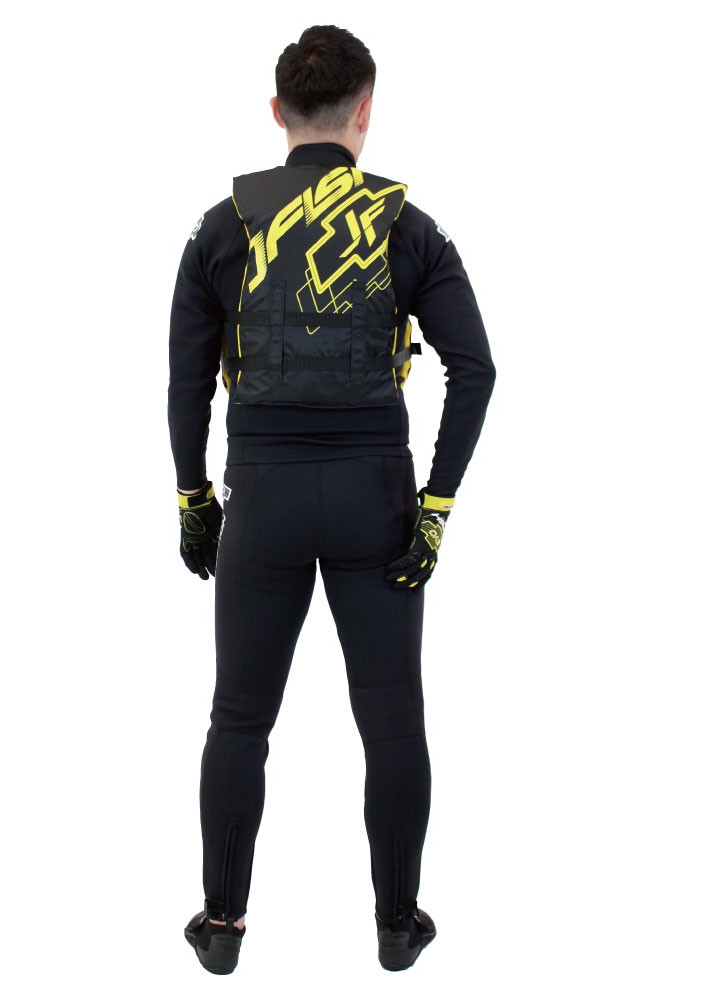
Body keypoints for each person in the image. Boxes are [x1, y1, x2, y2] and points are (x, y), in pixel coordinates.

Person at [169, 25, 496, 974]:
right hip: (375, 502)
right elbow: (475, 369)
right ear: (365, 114)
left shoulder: (222, 227)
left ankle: (221, 924)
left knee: (239, 718)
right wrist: (435, 507)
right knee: (392, 719)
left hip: (262, 501)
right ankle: (397, 923)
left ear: (278, 111)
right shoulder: (407, 226)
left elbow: (187, 383)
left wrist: (193, 498)